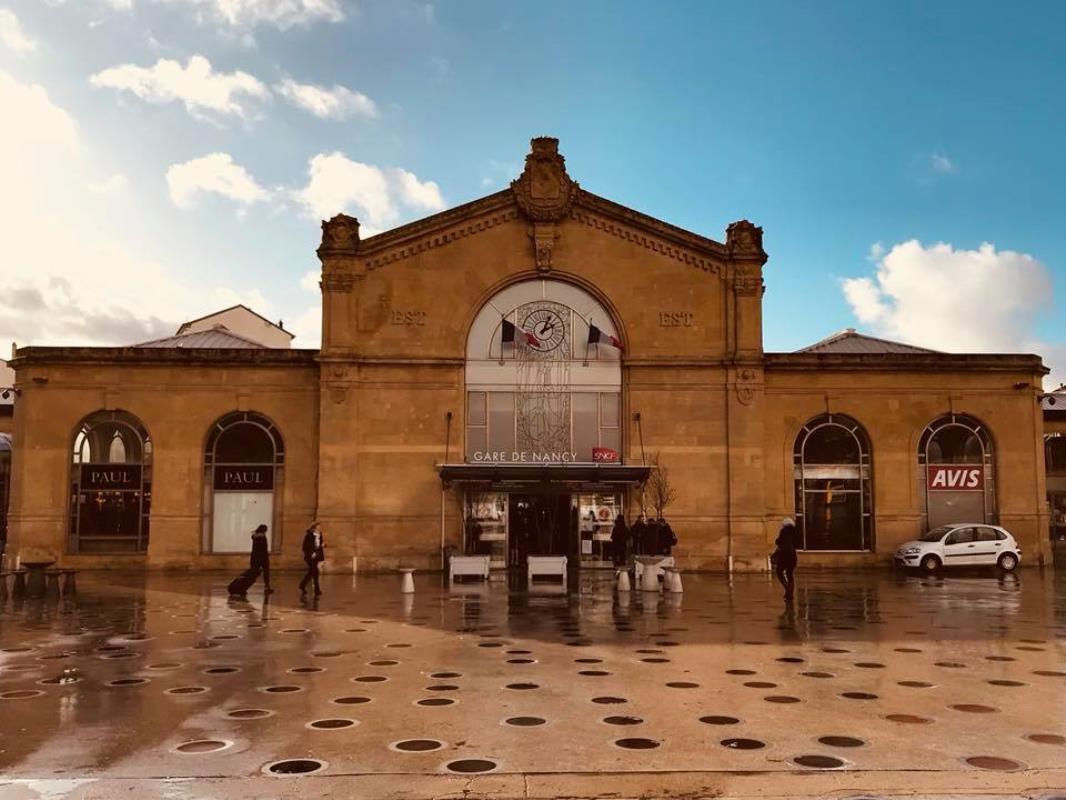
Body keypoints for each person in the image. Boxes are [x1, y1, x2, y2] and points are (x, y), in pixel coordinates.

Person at [772, 517, 798, 605]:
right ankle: (790, 593)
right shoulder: (795, 532)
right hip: (792, 556)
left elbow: (781, 543)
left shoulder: (784, 532)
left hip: (784, 556)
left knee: (779, 571)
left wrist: (777, 543)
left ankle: (787, 589)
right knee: (790, 574)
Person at [299, 521, 325, 597]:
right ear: (314, 528)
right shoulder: (309, 536)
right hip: (310, 557)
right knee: (315, 572)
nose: (320, 528)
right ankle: (317, 590)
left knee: (311, 572)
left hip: (316, 556)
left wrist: (322, 545)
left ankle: (302, 585)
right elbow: (305, 547)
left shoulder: (320, 535)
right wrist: (311, 553)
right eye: (318, 527)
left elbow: (319, 545)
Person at [250, 524, 273, 594]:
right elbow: (263, 549)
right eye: (266, 529)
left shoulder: (255, 537)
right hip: (263, 558)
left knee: (253, 574)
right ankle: (267, 587)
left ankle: (243, 586)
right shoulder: (262, 537)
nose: (266, 531)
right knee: (266, 573)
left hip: (255, 557)